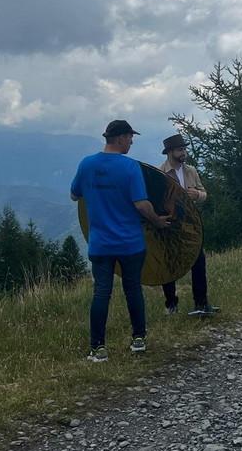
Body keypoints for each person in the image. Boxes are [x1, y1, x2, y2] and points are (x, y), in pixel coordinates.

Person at [71, 120, 171, 362]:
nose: (132, 141)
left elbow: (75, 195)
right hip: (130, 243)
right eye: (130, 137)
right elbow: (141, 204)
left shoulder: (86, 164)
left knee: (101, 292)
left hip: (100, 243)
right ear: (121, 138)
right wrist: (157, 220)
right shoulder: (129, 167)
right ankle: (138, 339)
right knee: (132, 289)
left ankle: (98, 348)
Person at [159, 133, 220, 316]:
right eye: (180, 149)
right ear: (170, 152)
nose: (184, 152)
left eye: (184, 149)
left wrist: (197, 195)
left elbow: (203, 193)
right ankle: (171, 304)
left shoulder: (191, 171)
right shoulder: (161, 172)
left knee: (198, 261)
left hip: (191, 223)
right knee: (169, 264)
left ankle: (201, 303)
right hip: (171, 223)